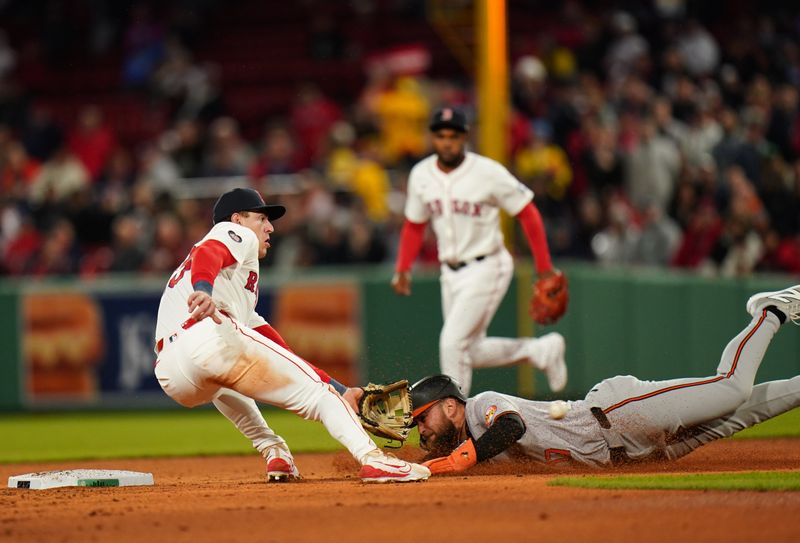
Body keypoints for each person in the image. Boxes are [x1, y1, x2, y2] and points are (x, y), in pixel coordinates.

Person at [153, 187, 430, 483]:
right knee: (317, 397)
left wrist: (337, 386)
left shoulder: (236, 286)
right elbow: (209, 254)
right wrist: (204, 290)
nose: (269, 228)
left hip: (173, 376)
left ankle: (275, 452)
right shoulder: (233, 233)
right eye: (262, 219)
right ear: (237, 219)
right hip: (208, 336)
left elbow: (277, 349)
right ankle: (373, 460)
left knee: (225, 383)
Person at [410, 284, 800, 473]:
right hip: (637, 454)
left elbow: (511, 426)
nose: (420, 429)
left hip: (617, 415)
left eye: (422, 418)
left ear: (449, 405)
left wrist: (456, 461)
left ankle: (769, 312)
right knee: (747, 412)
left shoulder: (480, 407)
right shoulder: (470, 444)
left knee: (731, 388)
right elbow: (437, 461)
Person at [392, 106, 567, 395]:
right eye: (440, 135)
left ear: (464, 137)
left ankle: (457, 420)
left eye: (453, 135)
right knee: (468, 350)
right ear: (432, 138)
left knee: (451, 343)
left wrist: (544, 266)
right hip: (449, 272)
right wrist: (403, 267)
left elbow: (528, 212)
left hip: (488, 265)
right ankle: (540, 350)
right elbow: (413, 225)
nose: (447, 141)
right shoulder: (421, 174)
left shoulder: (487, 172)